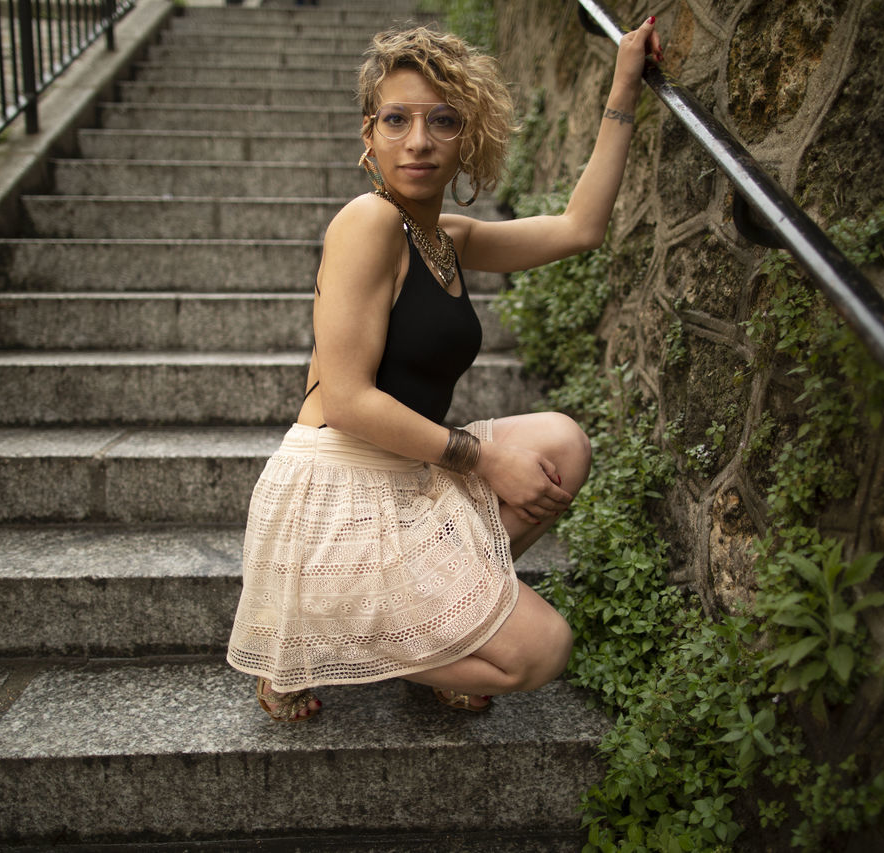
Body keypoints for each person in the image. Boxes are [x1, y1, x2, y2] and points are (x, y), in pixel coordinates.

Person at [226, 17, 663, 721]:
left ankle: (427, 633)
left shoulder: (444, 235)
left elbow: (579, 227)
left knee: (562, 445)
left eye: (443, 121)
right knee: (542, 649)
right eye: (396, 119)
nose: (419, 140)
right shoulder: (366, 224)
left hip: (407, 474)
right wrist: (481, 459)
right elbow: (346, 399)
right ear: (368, 137)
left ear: (469, 141)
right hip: (339, 489)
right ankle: (306, 636)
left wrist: (623, 85)